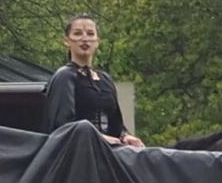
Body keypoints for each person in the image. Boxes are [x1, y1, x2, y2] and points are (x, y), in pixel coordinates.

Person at [40, 13, 144, 148]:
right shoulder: (64, 76)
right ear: (67, 41)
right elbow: (64, 126)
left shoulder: (105, 79)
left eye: (90, 34)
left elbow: (116, 124)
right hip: (79, 151)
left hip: (110, 149)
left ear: (97, 41)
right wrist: (99, 138)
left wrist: (125, 136)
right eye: (77, 34)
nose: (84, 39)